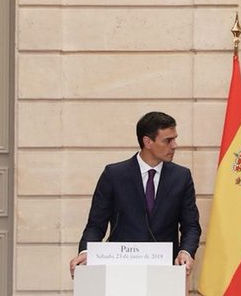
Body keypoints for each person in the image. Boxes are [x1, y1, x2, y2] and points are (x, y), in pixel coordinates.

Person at [69, 112, 201, 278]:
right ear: (147, 142)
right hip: (120, 271)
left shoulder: (181, 177)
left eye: (175, 139)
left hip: (165, 272)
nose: (174, 145)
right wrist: (86, 252)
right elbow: (96, 224)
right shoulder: (114, 175)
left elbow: (191, 225)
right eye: (167, 140)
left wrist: (186, 251)